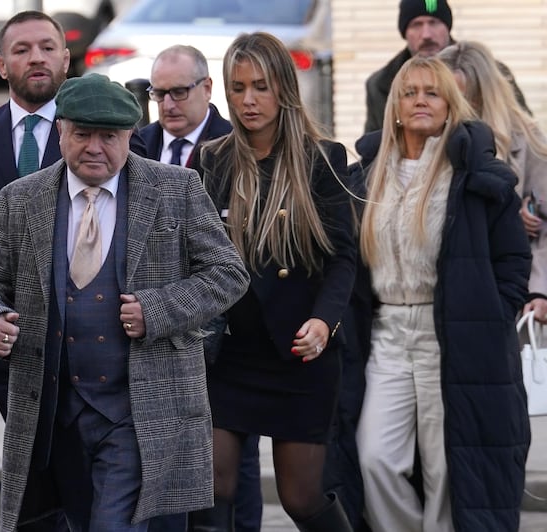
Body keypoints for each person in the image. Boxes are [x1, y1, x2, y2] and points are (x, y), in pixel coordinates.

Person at [0, 73, 250, 531]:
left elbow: (228, 274)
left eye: (109, 136)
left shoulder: (178, 189)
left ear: (130, 135)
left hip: (139, 412)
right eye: (82, 134)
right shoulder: (20, 199)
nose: (95, 147)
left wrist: (156, 310)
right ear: (60, 132)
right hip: (54, 415)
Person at [354, 55, 531, 531]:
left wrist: (494, 312)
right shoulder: (367, 174)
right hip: (387, 332)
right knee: (375, 458)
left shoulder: (472, 173)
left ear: (450, 104)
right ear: (394, 105)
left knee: (447, 467)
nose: (420, 101)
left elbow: (513, 258)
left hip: (450, 333)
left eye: (432, 92)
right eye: (410, 92)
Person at [192, 32, 356, 531]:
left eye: (260, 86)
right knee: (211, 487)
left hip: (299, 353)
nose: (248, 100)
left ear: (284, 88)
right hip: (232, 355)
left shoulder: (321, 159)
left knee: (301, 498)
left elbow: (343, 258)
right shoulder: (212, 160)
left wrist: (324, 322)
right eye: (238, 87)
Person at [0, 10, 146, 420]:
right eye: (22, 50)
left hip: (97, 346)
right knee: (35, 476)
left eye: (47, 48)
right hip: (12, 348)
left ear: (66, 59)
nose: (37, 57)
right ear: (2, 66)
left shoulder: (109, 132)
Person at [137, 43, 262, 532]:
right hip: (157, 330)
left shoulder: (241, 146)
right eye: (157, 93)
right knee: (166, 461)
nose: (167, 104)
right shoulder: (136, 145)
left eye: (178, 92)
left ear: (207, 89)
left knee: (232, 468)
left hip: (229, 335)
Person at [438, 40, 547, 324]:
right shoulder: (427, 140)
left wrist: (539, 292)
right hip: (442, 293)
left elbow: (544, 222)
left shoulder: (527, 140)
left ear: (482, 94)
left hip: (510, 294)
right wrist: (509, 215)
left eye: (461, 95)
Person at [364, 0, 529, 133]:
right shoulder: (380, 85)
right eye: (417, 24)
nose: (426, 34)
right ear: (404, 33)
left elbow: (524, 132)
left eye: (433, 22)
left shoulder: (492, 73)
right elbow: (375, 150)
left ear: (447, 27)